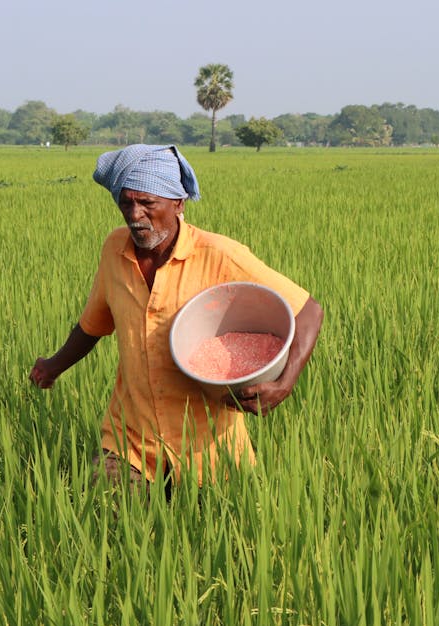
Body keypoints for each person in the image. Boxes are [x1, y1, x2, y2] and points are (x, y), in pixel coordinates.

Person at [29, 144, 323, 493]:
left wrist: (284, 383)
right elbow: (94, 324)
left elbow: (308, 311)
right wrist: (52, 367)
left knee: (213, 537)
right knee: (102, 513)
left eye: (148, 204)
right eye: (126, 203)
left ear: (178, 204)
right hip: (131, 440)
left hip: (207, 450)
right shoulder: (114, 250)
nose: (135, 215)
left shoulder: (219, 254)